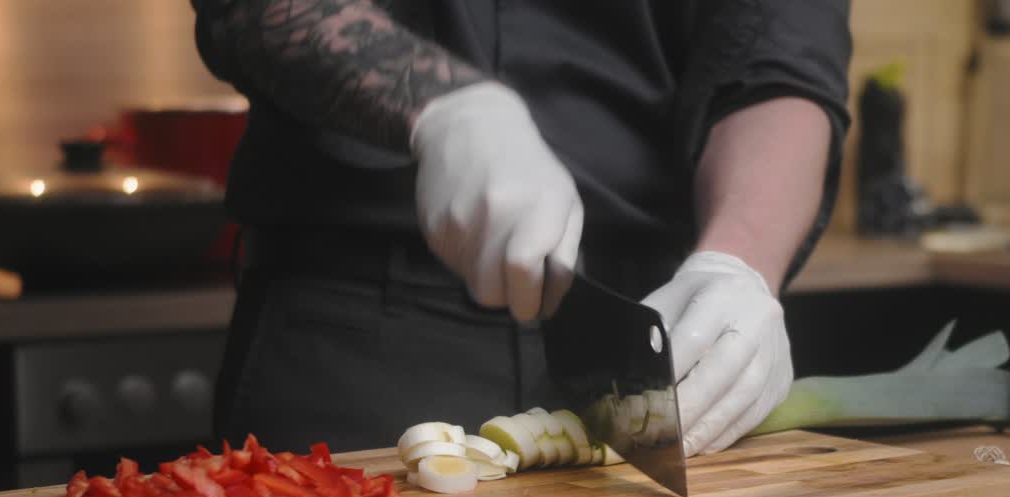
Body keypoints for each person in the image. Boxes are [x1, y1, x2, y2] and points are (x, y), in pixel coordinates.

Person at [189, 0, 852, 457]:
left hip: (653, 333)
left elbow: (784, 52)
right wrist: (444, 107)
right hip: (354, 335)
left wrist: (738, 264)